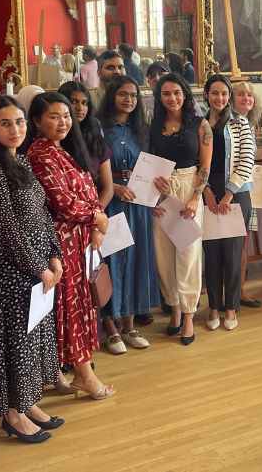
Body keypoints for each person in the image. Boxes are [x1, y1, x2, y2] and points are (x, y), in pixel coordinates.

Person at [0, 96, 64, 444]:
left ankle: (28, 402)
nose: (15, 129)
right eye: (5, 123)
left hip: (36, 267)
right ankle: (12, 414)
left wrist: (54, 255)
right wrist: (39, 268)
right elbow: (4, 229)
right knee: (13, 342)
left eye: (20, 122)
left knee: (33, 338)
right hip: (9, 270)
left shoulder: (19, 160)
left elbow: (41, 212)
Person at [27, 92, 113, 398]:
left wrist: (97, 223)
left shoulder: (64, 149)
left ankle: (71, 373)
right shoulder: (40, 154)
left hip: (81, 239)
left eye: (66, 116)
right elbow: (62, 202)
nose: (63, 122)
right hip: (62, 241)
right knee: (70, 308)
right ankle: (84, 374)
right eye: (54, 116)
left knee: (79, 304)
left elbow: (89, 189)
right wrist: (97, 218)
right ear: (37, 121)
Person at [96, 76, 160, 352]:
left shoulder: (140, 130)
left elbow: (150, 167)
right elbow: (90, 169)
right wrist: (115, 187)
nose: (129, 100)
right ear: (112, 95)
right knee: (112, 261)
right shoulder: (99, 128)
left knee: (136, 261)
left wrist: (157, 188)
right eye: (123, 94)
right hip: (111, 202)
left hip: (138, 204)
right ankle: (110, 327)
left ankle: (129, 325)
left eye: (134, 95)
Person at [149, 73, 212, 344]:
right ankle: (174, 309)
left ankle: (188, 316)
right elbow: (148, 162)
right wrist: (152, 195)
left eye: (176, 92)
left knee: (188, 254)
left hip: (188, 189)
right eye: (166, 93)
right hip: (161, 193)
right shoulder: (153, 125)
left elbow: (205, 166)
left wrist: (196, 197)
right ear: (159, 97)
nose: (172, 98)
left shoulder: (200, 125)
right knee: (163, 255)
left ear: (185, 94)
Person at [202, 74, 256, 330]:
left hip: (235, 197)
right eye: (215, 93)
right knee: (212, 254)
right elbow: (196, 160)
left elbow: (247, 160)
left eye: (224, 93)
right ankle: (214, 307)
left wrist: (228, 194)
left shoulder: (240, 123)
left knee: (233, 255)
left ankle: (231, 308)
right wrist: (206, 191)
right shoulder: (199, 123)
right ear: (206, 95)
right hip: (207, 197)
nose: (219, 98)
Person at [231, 80, 262, 308]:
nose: (246, 98)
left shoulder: (250, 125)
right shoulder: (229, 123)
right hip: (231, 192)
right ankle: (230, 293)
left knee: (243, 244)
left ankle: (240, 290)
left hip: (247, 190)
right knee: (231, 244)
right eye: (241, 94)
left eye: (250, 95)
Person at [58, 81, 114, 209]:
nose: (80, 108)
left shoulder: (94, 135)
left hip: (96, 209)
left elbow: (108, 188)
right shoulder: (56, 138)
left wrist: (96, 215)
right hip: (64, 211)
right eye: (74, 102)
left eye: (84, 103)